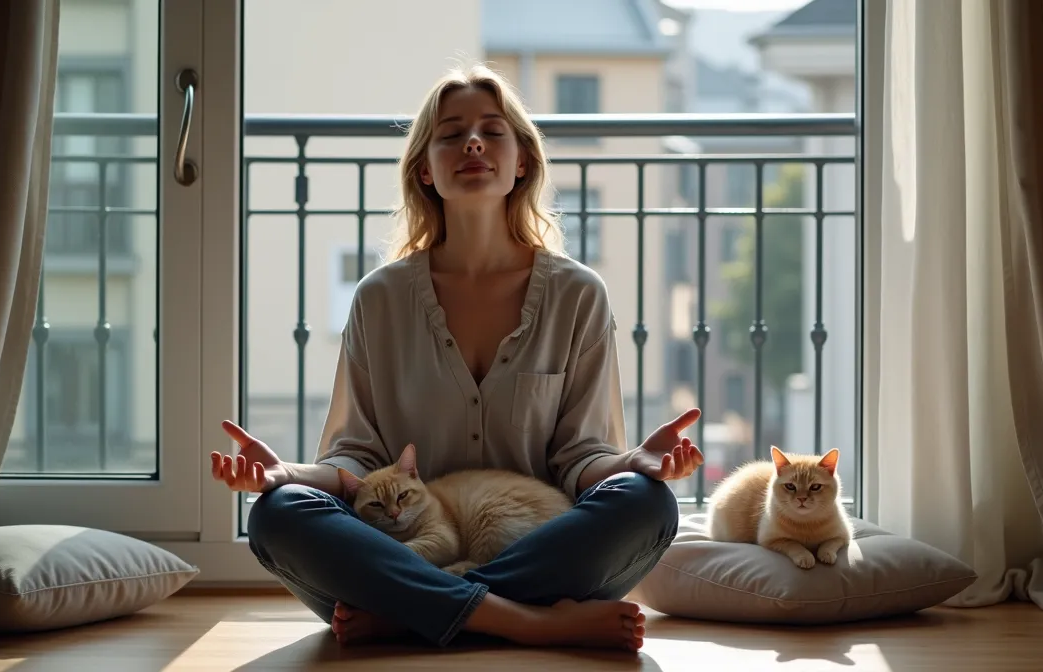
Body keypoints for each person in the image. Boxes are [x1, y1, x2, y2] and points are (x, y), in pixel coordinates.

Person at [210, 63, 704, 653]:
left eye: (493, 131)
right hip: (444, 564)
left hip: (531, 557)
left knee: (646, 503)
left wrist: (632, 461)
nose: (473, 142)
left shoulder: (577, 294)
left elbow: (578, 459)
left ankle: (418, 612)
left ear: (523, 160)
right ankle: (523, 622)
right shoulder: (379, 299)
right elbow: (357, 460)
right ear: (424, 168)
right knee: (278, 514)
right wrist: (286, 475)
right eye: (451, 134)